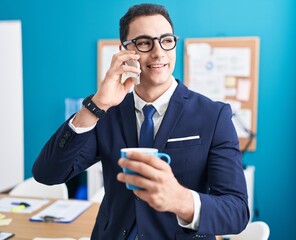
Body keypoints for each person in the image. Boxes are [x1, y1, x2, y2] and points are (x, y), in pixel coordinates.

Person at [33, 3, 249, 240]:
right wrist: (96, 106)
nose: (158, 52)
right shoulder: (106, 111)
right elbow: (47, 173)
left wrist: (180, 199)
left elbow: (236, 212)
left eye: (166, 40)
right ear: (124, 51)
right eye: (145, 43)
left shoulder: (213, 115)